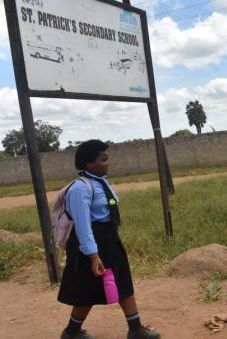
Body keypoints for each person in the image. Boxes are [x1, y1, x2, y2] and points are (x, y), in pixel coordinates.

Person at [58, 140, 160, 339]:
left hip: (109, 239)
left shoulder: (102, 183)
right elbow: (83, 225)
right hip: (89, 243)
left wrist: (112, 229)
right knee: (87, 289)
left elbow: (112, 202)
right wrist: (93, 255)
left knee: (122, 280)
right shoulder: (79, 189)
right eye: (103, 160)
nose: (108, 163)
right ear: (89, 163)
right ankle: (71, 332)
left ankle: (135, 329)